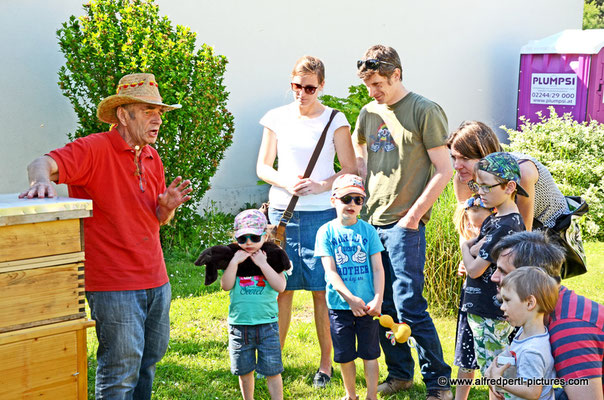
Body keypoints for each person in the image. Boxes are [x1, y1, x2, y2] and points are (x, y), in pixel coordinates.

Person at [19, 73, 192, 399]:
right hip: (113, 285)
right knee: (120, 373)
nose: (157, 119)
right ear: (123, 115)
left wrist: (166, 208)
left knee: (148, 363)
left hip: (156, 279)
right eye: (147, 111)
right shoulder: (92, 149)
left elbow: (155, 220)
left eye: (160, 113)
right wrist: (40, 183)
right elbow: (41, 163)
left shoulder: (153, 157)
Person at [352, 44, 454, 400]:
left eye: (379, 83)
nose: (374, 92)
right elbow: (362, 159)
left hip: (404, 224)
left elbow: (445, 169)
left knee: (409, 303)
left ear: (397, 74)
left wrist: (414, 215)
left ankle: (439, 382)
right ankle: (400, 374)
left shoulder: (425, 110)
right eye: (369, 85)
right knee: (381, 303)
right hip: (370, 222)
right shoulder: (368, 112)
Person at [256, 55, 356, 387]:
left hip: (322, 215)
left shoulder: (335, 119)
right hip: (282, 216)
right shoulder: (276, 117)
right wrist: (286, 183)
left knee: (321, 292)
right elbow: (263, 167)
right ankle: (275, 361)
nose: (301, 93)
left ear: (322, 86)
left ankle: (326, 366)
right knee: (281, 290)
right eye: (296, 86)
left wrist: (323, 184)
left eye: (309, 87)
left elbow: (350, 168)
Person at [490, 231, 604, 400]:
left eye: (503, 272)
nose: (494, 277)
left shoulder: (569, 330)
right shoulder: (538, 312)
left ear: (530, 278)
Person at [460, 152, 527, 397]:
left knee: (497, 372)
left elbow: (475, 266)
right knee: (491, 372)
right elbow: (475, 249)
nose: (480, 192)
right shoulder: (495, 218)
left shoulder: (507, 225)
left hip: (491, 310)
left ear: (510, 187)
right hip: (482, 306)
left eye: (486, 187)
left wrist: (463, 247)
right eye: (478, 186)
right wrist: (471, 248)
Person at [314, 174, 385, 400]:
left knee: (370, 353)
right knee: (344, 355)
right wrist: (349, 299)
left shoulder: (368, 231)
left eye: (358, 199)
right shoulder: (326, 232)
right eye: (346, 199)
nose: (352, 204)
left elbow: (378, 269)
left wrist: (378, 299)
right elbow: (331, 272)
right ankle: (351, 395)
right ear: (333, 199)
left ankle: (371, 396)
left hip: (367, 307)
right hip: (340, 305)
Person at [447, 120, 568, 231]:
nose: (457, 166)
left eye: (465, 158)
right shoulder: (463, 177)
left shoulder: (522, 173)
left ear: (485, 155)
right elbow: (466, 227)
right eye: (454, 157)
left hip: (553, 229)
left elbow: (523, 234)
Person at [220, 209, 288, 400]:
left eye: (254, 237)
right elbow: (225, 286)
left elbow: (280, 286)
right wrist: (234, 262)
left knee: (273, 369)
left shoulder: (272, 259)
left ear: (265, 236)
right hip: (239, 326)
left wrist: (263, 264)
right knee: (244, 369)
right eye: (243, 238)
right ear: (236, 239)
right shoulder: (235, 260)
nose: (248, 242)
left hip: (267, 324)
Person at [485, 267, 558, 400]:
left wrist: (499, 381)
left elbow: (532, 392)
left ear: (530, 303)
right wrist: (494, 366)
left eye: (507, 300)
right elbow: (512, 354)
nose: (502, 307)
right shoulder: (524, 333)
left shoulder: (533, 350)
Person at [452, 195, 494, 400]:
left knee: (495, 360)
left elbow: (477, 268)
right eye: (467, 223)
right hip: (471, 303)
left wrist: (467, 255)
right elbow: (471, 268)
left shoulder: (495, 234)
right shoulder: (475, 239)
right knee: (466, 360)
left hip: (492, 305)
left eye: (474, 222)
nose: (470, 227)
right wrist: (464, 265)